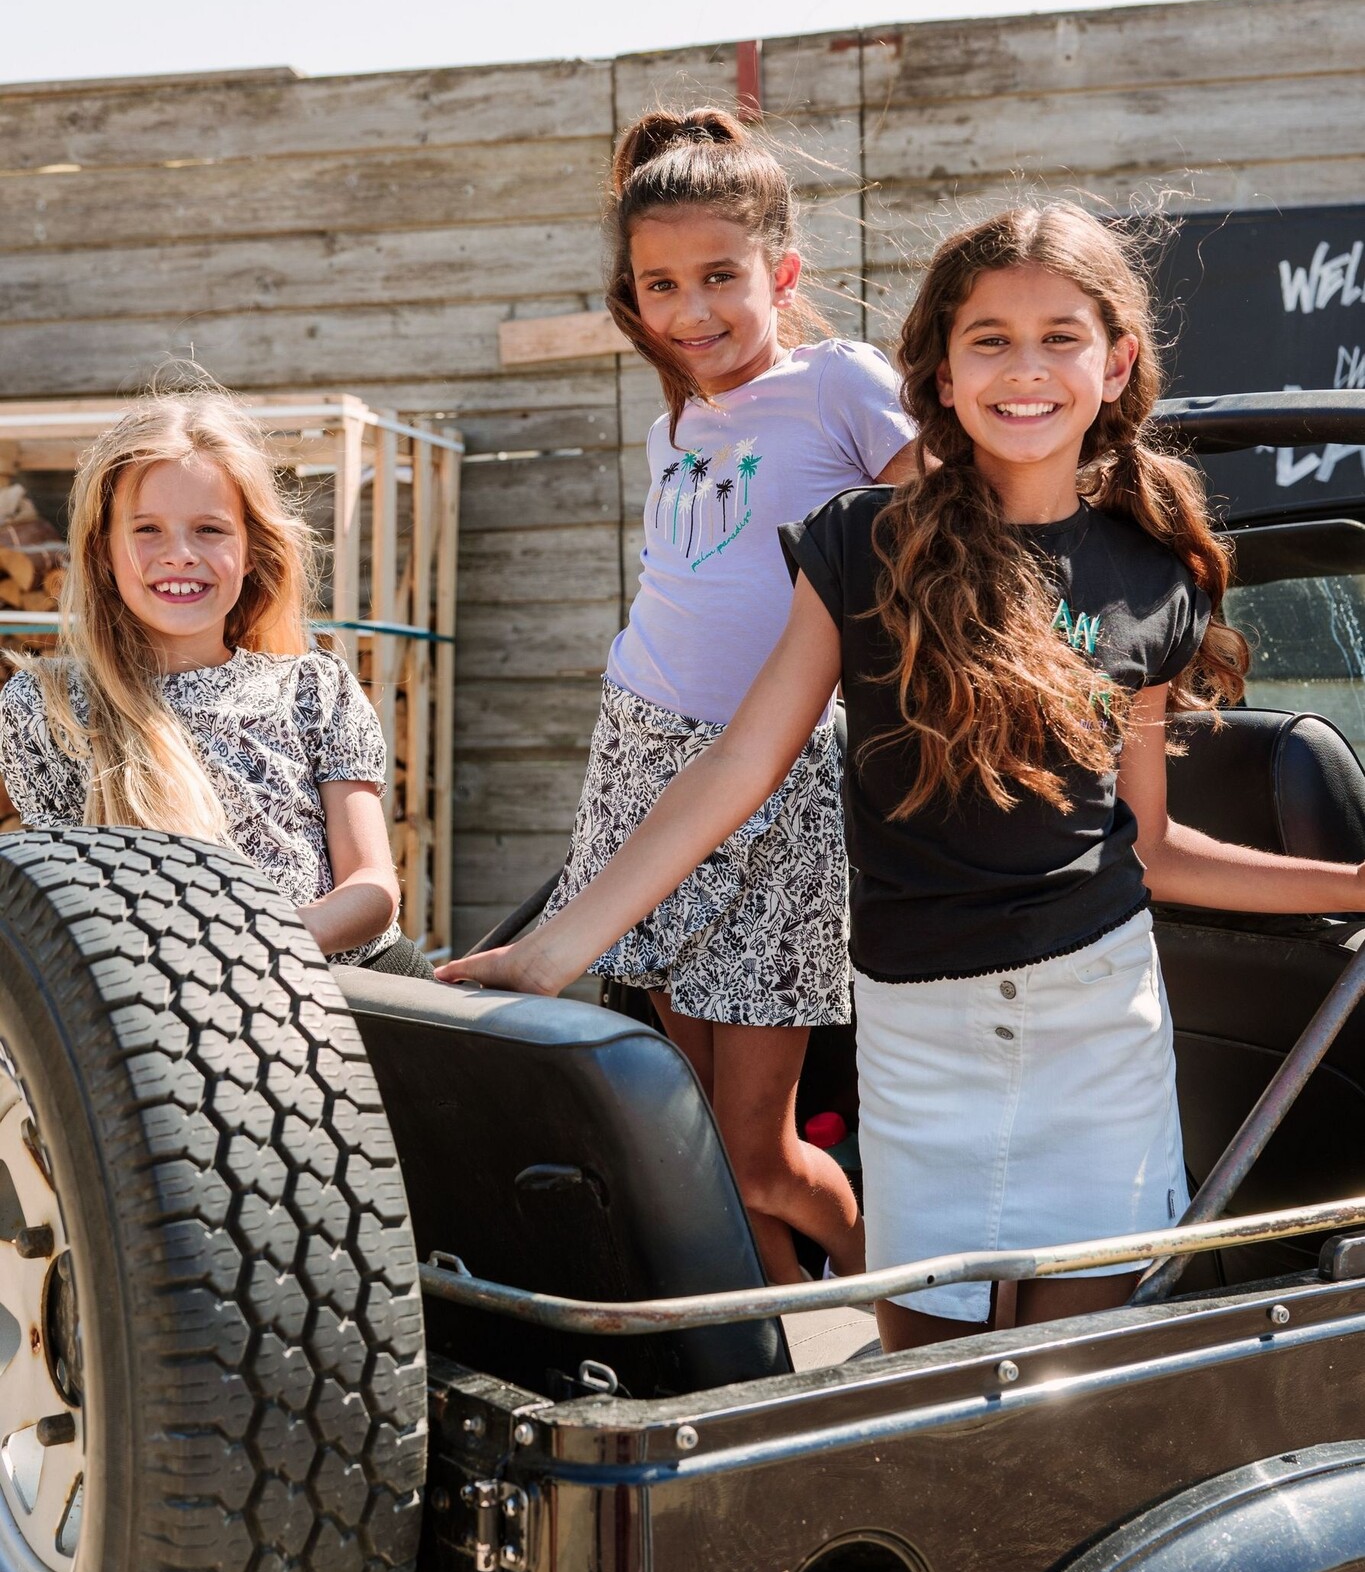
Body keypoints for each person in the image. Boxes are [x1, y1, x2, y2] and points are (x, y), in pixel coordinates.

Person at [438, 200, 1365, 1351]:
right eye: (990, 339)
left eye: (1060, 337)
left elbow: (1154, 845)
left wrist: (1356, 883)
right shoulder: (864, 541)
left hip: (1101, 1024)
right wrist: (553, 949)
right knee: (931, 1384)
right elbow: (742, 760)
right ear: (938, 367)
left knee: (1078, 1383)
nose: (1025, 370)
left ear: (1117, 361)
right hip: (920, 1033)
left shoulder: (1156, 574)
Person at [435, 107, 914, 1285]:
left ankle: (927, 1304)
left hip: (780, 776)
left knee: (758, 1152)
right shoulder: (679, 422)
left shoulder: (842, 383)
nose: (692, 309)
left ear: (781, 274)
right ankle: (776, 1333)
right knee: (692, 1134)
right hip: (641, 754)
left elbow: (939, 544)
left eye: (719, 276)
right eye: (661, 284)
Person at [0, 384, 433, 977]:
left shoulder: (315, 688)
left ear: (251, 549)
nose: (179, 554)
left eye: (210, 529)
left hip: (360, 988)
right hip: (173, 1003)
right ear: (102, 551)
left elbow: (373, 888)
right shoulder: (45, 708)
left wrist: (255, 947)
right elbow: (68, 906)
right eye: (147, 529)